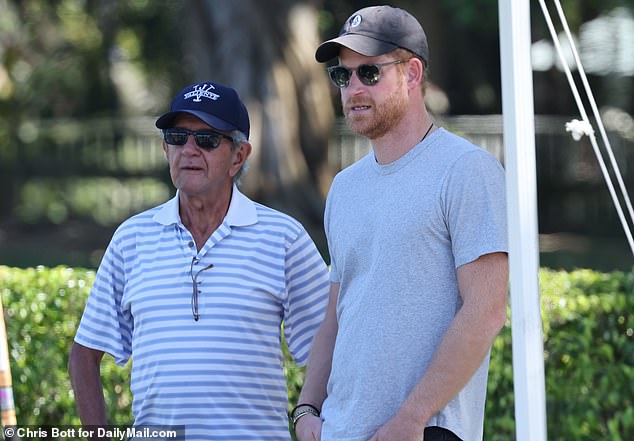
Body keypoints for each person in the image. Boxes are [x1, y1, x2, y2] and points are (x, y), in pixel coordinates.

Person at [68, 80, 331, 441]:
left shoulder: (283, 238)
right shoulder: (132, 238)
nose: (189, 150)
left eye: (206, 140)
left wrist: (308, 413)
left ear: (239, 156)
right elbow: (84, 356)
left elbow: (330, 348)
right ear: (165, 149)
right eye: (178, 138)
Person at [293, 6, 509, 441]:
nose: (352, 88)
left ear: (412, 74)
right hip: (339, 431)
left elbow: (485, 311)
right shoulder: (344, 187)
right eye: (343, 75)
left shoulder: (467, 170)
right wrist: (305, 411)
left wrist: (410, 418)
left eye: (369, 73)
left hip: (425, 431)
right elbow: (337, 313)